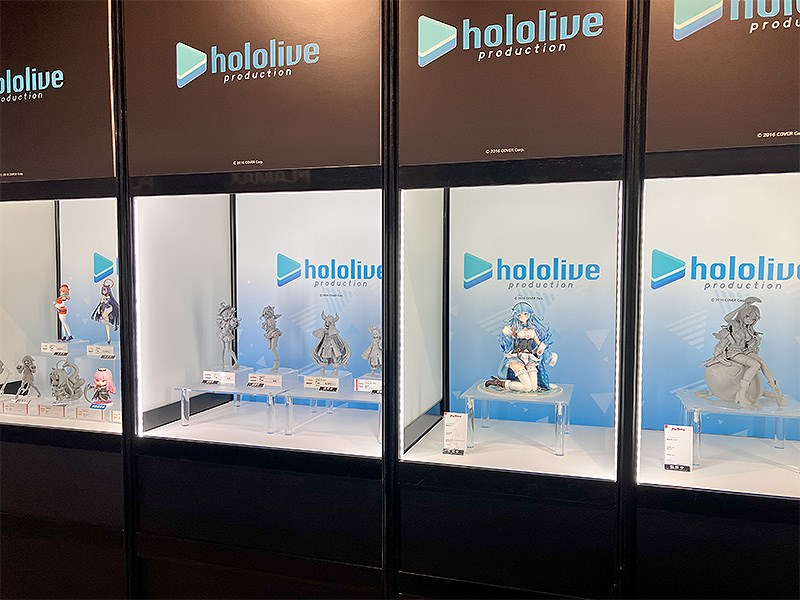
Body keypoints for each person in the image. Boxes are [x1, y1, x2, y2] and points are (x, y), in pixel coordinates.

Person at [705, 296, 785, 407]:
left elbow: (749, 345)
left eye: (754, 319)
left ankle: (777, 393)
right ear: (743, 314)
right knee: (755, 364)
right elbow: (727, 318)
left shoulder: (750, 329)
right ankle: (741, 394)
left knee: (763, 363)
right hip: (733, 352)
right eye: (748, 316)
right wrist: (743, 306)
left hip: (745, 351)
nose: (750, 320)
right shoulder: (736, 325)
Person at [485, 302, 557, 392]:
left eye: (525, 314)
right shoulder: (515, 329)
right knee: (527, 388)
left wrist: (547, 355)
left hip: (530, 359)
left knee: (534, 388)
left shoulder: (532, 330)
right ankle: (499, 383)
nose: (523, 317)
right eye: (519, 315)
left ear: (530, 314)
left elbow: (539, 345)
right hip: (517, 358)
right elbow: (508, 344)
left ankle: (514, 384)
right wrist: (510, 336)